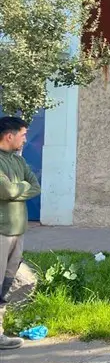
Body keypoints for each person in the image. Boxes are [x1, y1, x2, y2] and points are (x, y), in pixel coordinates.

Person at [0, 116, 40, 350]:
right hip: (1, 232)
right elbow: (5, 191)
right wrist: (20, 188)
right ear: (9, 136)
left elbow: (35, 186)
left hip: (18, 233)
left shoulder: (18, 161)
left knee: (5, 285)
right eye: (23, 135)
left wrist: (17, 188)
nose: (25, 139)